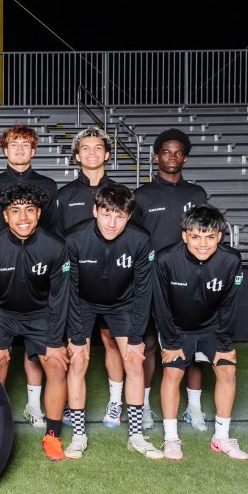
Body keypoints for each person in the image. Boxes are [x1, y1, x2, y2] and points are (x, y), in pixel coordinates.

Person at [64, 183, 162, 459]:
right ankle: (78, 436)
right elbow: (69, 290)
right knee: (78, 360)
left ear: (129, 216)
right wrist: (76, 335)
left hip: (123, 303)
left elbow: (143, 292)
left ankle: (136, 436)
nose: (112, 223)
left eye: (120, 216)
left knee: (134, 360)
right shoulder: (74, 238)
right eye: (106, 214)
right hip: (82, 302)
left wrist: (135, 338)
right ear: (95, 211)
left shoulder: (140, 240)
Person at [0, 184, 70, 461]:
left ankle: (52, 436)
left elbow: (59, 298)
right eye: (15, 211)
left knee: (57, 365)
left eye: (30, 210)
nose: (23, 217)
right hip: (2, 315)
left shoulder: (55, 247)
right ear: (5, 216)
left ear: (39, 213)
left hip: (40, 315)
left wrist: (54, 341)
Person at [0, 124, 62, 428]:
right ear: (5, 150)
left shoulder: (48, 186)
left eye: (25, 144)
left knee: (39, 356)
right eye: (14, 144)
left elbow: (54, 231)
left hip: (37, 276)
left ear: (34, 150)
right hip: (5, 270)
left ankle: (36, 408)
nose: (19, 149)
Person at [153, 205, 247, 461]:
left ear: (220, 237)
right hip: (177, 327)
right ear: (184, 236)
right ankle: (171, 438)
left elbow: (229, 305)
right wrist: (171, 341)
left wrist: (225, 343)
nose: (203, 244)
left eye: (210, 237)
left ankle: (221, 437)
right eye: (196, 237)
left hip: (212, 327)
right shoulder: (165, 259)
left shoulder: (231, 260)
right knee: (173, 372)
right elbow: (160, 305)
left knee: (227, 371)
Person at [134, 128, 209, 432]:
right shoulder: (141, 195)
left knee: (192, 345)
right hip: (152, 280)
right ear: (156, 157)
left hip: (190, 281)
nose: (172, 157)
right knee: (149, 344)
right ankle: (145, 407)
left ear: (185, 158)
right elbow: (135, 241)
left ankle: (193, 408)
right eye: (166, 152)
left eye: (179, 152)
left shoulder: (197, 194)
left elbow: (206, 235)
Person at [56, 127, 126, 428]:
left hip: (113, 285)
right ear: (77, 155)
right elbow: (58, 242)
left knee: (112, 343)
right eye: (85, 148)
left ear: (107, 154)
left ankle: (116, 402)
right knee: (75, 346)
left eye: (98, 148)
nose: (92, 153)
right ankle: (72, 404)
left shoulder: (122, 193)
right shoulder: (64, 195)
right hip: (77, 287)